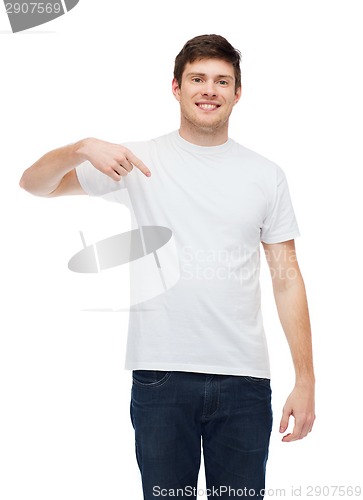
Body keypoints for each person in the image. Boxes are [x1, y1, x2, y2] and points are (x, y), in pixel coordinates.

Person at [20, 34, 315, 499]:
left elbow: (287, 279)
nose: (209, 89)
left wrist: (306, 380)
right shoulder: (137, 161)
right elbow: (35, 184)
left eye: (222, 81)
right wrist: (79, 147)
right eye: (198, 78)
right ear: (176, 87)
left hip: (244, 381)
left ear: (238, 93)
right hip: (161, 376)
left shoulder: (265, 174)